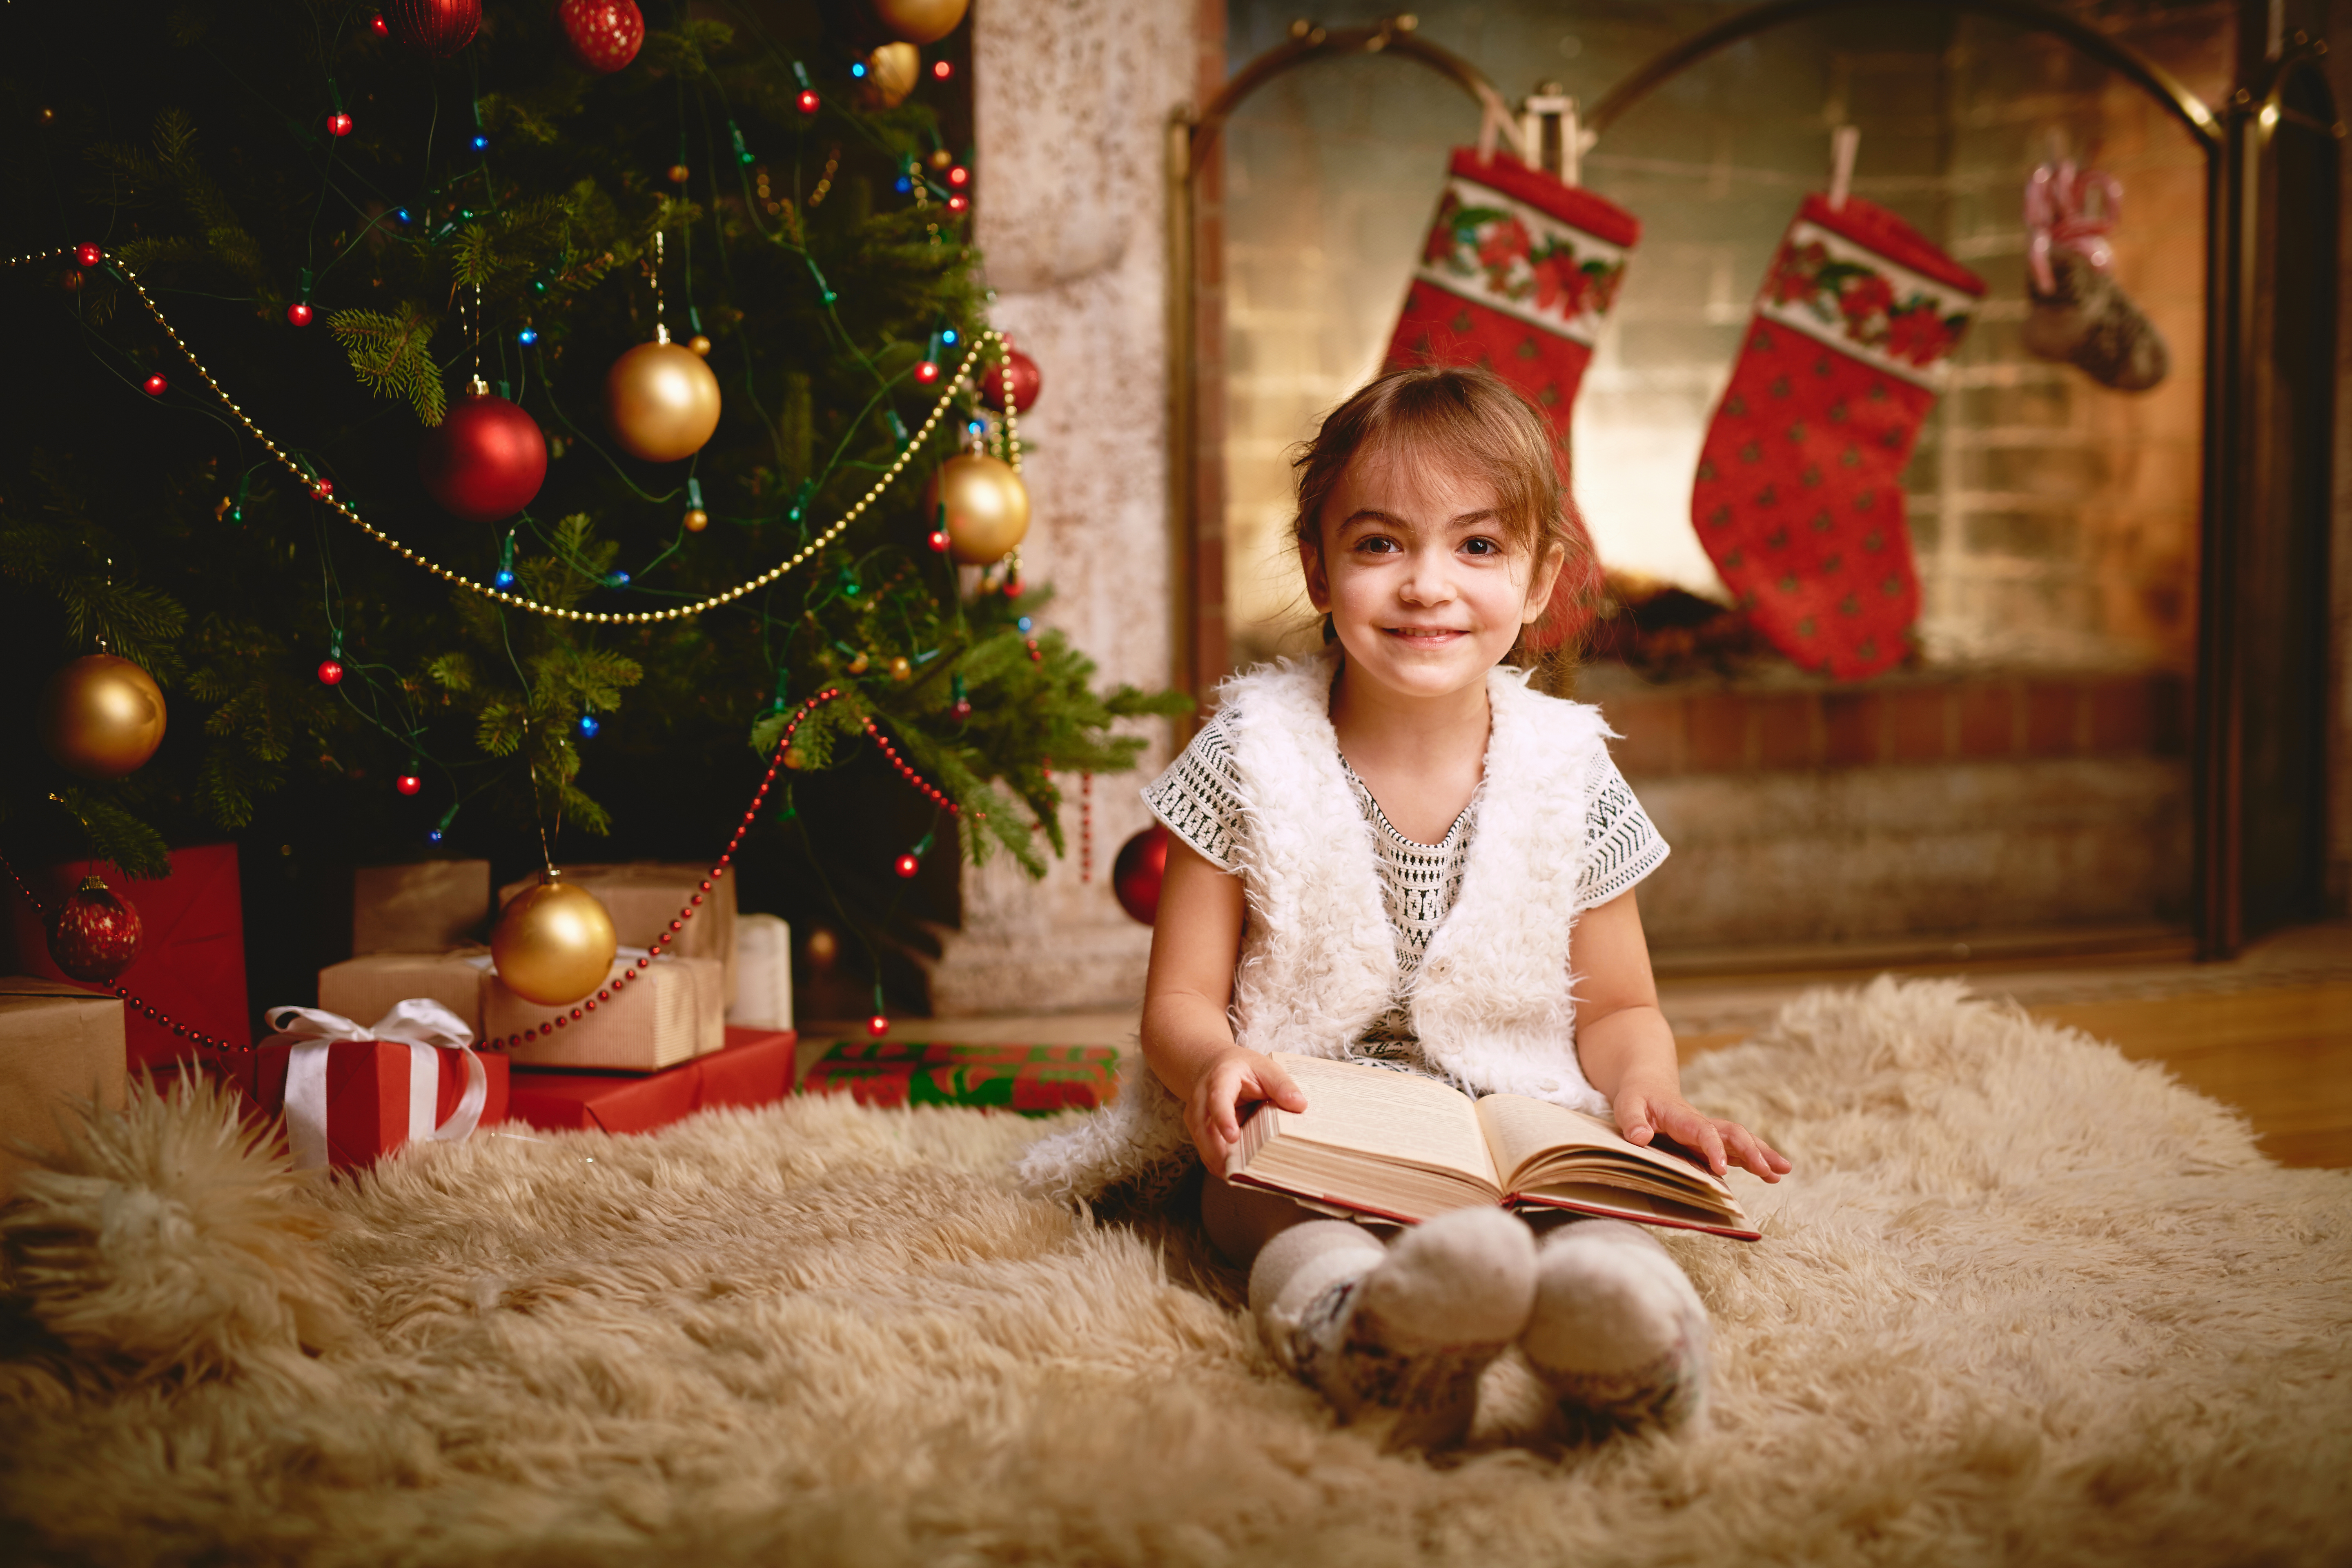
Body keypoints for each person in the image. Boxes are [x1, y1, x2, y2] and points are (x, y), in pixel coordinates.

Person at [1018, 364, 1789, 1448]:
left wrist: (1651, 1096)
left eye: (1478, 546)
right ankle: (1368, 1336)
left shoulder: (1569, 773)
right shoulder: (1247, 755)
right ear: (1318, 568)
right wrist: (1215, 1070)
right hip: (1313, 1125)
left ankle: (1627, 1338)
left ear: (1539, 580)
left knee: (1582, 1196)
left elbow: (1618, 1007)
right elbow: (1181, 1000)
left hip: (1512, 1116)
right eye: (1381, 544)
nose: (1429, 584)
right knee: (1257, 1197)